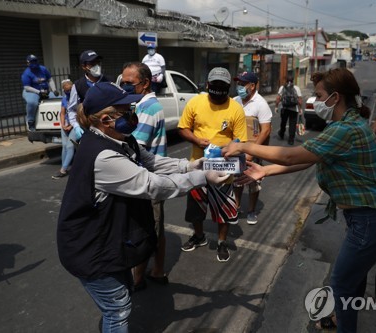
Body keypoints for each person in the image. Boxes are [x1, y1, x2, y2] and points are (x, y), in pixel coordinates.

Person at [223, 68, 376, 332]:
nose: (315, 101)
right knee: (352, 280)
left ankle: (344, 325)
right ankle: (341, 319)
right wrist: (265, 170)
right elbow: (309, 159)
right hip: (373, 217)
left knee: (341, 284)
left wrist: (244, 146)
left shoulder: (346, 130)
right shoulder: (346, 125)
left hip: (370, 219)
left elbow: (292, 156)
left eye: (319, 95)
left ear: (335, 98)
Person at [57, 81, 229, 333]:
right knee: (117, 310)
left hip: (108, 242)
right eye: (126, 110)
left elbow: (151, 161)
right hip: (90, 249)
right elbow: (152, 185)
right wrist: (202, 178)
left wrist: (192, 166)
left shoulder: (121, 140)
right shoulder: (103, 156)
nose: (133, 114)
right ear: (106, 119)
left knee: (121, 295)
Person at [177, 67, 247, 262]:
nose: (218, 90)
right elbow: (183, 128)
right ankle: (198, 236)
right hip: (198, 166)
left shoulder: (235, 108)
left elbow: (240, 140)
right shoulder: (196, 102)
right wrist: (198, 141)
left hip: (223, 168)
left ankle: (222, 242)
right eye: (214, 86)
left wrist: (227, 148)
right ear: (207, 85)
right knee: (196, 207)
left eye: (223, 87)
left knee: (222, 209)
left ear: (228, 87)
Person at [120, 62, 169, 289]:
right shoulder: (139, 104)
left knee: (147, 229)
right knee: (154, 227)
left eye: (130, 83)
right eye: (123, 82)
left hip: (149, 180)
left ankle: (139, 278)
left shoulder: (148, 109)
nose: (125, 87)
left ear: (146, 83)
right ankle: (157, 270)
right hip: (148, 178)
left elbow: (135, 146)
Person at [233, 71, 273, 225]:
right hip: (237, 148)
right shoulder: (235, 101)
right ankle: (235, 207)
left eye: (243, 84)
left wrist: (252, 151)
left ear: (253, 85)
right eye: (239, 83)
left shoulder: (261, 104)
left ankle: (251, 211)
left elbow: (266, 130)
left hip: (254, 150)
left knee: (253, 181)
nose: (240, 87)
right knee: (237, 180)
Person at [67, 50, 110, 141]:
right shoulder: (78, 85)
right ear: (84, 66)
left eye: (97, 62)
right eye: (92, 63)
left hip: (107, 128)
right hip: (86, 128)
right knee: (70, 146)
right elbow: (72, 109)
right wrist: (76, 126)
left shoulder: (109, 82)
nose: (96, 66)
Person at [21, 54, 59, 131]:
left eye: (35, 61)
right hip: (31, 91)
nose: (34, 63)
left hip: (44, 90)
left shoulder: (43, 69)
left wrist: (54, 90)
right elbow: (27, 87)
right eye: (32, 62)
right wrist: (38, 92)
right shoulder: (26, 73)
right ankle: (30, 122)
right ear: (28, 63)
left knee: (59, 99)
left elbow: (50, 79)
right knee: (32, 102)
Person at [52, 79, 75, 179]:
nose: (68, 92)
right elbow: (62, 113)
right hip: (66, 125)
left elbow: (79, 114)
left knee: (70, 146)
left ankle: (63, 170)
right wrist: (63, 124)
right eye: (66, 90)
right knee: (64, 146)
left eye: (69, 90)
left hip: (75, 125)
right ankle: (64, 167)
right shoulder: (64, 99)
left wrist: (71, 125)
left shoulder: (77, 99)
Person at [275, 75, 304, 145]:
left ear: (286, 80)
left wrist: (276, 107)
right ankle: (291, 139)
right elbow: (300, 100)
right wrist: (300, 109)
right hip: (294, 110)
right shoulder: (296, 88)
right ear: (293, 80)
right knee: (292, 124)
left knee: (283, 122)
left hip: (284, 109)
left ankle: (281, 133)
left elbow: (278, 98)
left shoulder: (282, 87)